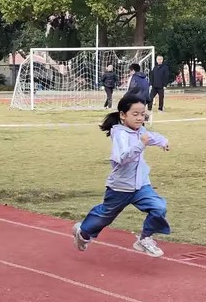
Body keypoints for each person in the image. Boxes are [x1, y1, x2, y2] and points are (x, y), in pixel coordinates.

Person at [72, 93, 170, 256]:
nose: (140, 118)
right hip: (120, 187)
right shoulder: (120, 134)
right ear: (123, 115)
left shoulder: (140, 130)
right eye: (135, 114)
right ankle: (83, 232)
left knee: (159, 207)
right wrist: (141, 145)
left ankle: (145, 238)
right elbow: (123, 158)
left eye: (142, 114)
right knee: (105, 216)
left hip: (141, 185)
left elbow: (151, 137)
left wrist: (164, 142)